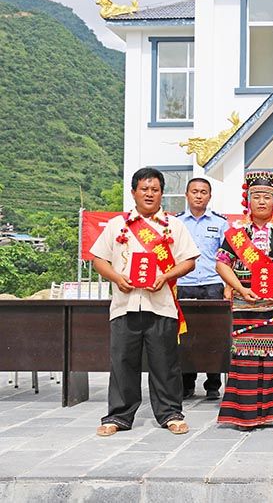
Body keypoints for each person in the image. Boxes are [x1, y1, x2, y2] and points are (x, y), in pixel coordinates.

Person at [91, 167, 199, 437]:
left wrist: (166, 276)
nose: (149, 194)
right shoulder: (117, 224)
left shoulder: (174, 225)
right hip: (124, 305)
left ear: (162, 193)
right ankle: (118, 416)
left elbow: (189, 261)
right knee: (122, 362)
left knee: (165, 363)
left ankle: (171, 413)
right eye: (144, 189)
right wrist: (116, 278)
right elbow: (99, 259)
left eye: (155, 189)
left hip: (161, 305)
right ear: (133, 192)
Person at [215, 170, 273, 431]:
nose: (261, 201)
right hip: (245, 302)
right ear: (248, 200)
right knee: (245, 357)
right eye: (256, 196)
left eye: (267, 196)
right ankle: (246, 414)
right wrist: (239, 289)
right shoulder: (237, 233)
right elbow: (221, 264)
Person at [175, 178, 229, 400]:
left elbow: (228, 257)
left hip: (212, 284)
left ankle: (213, 384)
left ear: (209, 196)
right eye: (194, 191)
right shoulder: (176, 222)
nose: (199, 195)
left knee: (214, 336)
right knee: (185, 336)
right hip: (184, 284)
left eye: (203, 192)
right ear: (186, 195)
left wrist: (228, 287)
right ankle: (186, 384)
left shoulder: (221, 223)